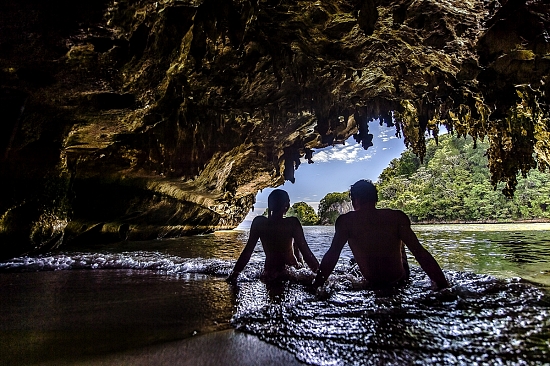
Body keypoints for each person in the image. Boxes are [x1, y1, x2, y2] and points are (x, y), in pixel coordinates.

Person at [313, 180, 448, 290]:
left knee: (352, 265)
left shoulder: (346, 221)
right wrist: (444, 286)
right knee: (401, 242)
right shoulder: (396, 217)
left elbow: (332, 255)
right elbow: (420, 253)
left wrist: (316, 285)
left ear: (356, 201)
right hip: (400, 280)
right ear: (375, 199)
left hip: (372, 282)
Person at [227, 189, 320, 284]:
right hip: (291, 272)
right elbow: (307, 253)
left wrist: (235, 273)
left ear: (270, 206)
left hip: (269, 272)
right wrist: (320, 275)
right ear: (286, 206)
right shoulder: (292, 223)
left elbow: (247, 252)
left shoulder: (259, 223)